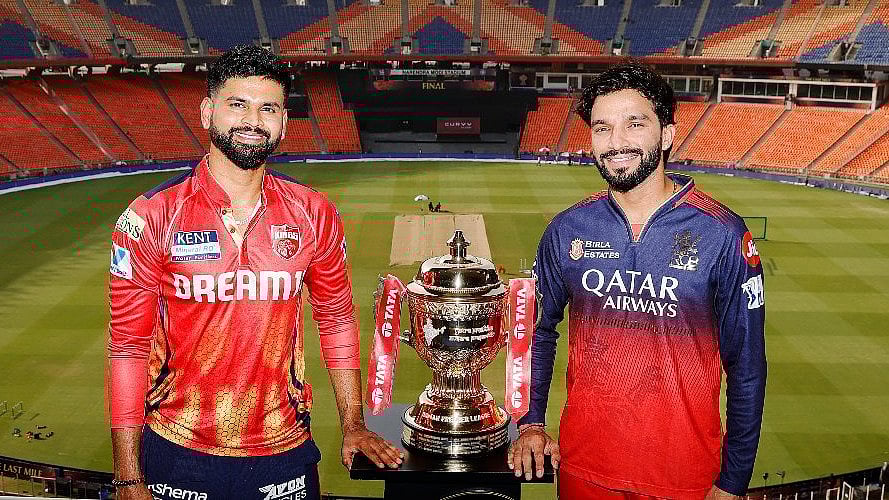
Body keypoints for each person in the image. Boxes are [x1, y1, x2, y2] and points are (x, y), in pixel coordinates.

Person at [106, 45, 402, 500]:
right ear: (208, 113)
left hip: (284, 449)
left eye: (269, 108)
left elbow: (337, 319)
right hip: (177, 447)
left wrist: (354, 425)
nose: (253, 120)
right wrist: (128, 477)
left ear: (283, 122)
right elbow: (127, 346)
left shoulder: (313, 211)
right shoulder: (151, 215)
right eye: (237, 104)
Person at [508, 62, 767, 499]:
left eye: (634, 124)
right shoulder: (567, 229)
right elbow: (537, 331)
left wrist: (734, 480)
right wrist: (532, 421)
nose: (617, 143)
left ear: (666, 134)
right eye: (602, 128)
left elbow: (747, 366)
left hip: (685, 476)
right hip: (584, 469)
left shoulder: (722, 233)